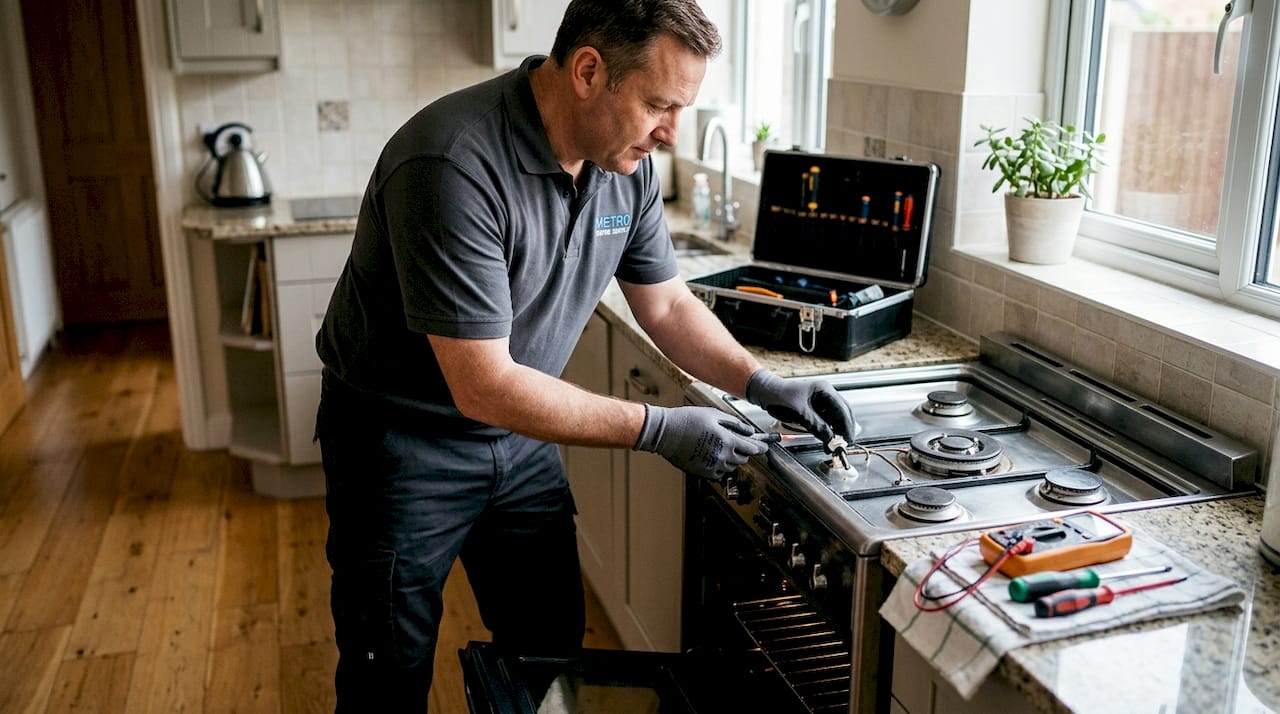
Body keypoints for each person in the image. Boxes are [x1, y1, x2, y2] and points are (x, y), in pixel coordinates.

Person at [313, 0, 858, 710]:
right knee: (388, 666)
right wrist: (659, 429)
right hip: (401, 443)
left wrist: (759, 382)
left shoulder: (622, 165)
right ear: (589, 71)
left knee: (548, 643)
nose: (670, 133)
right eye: (658, 105)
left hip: (518, 429)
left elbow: (665, 304)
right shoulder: (451, 162)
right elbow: (482, 384)